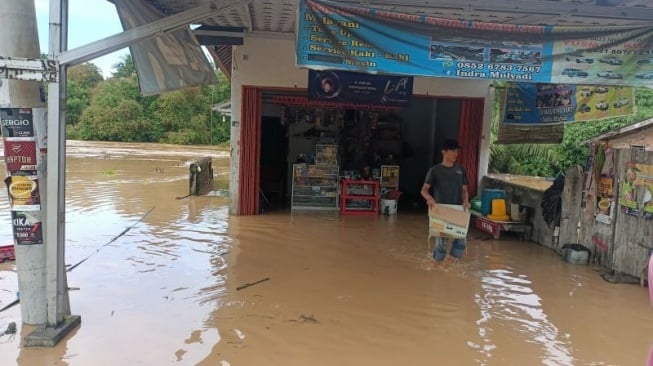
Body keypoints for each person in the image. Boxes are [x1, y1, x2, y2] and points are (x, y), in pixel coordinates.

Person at [420, 139, 470, 262]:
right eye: (453, 150)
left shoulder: (461, 170)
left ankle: (451, 264)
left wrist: (466, 201)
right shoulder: (435, 170)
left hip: (458, 210)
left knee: (461, 242)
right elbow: (424, 190)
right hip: (441, 211)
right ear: (444, 152)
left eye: (457, 151)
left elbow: (464, 190)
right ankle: (437, 267)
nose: (455, 154)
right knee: (441, 245)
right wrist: (430, 198)